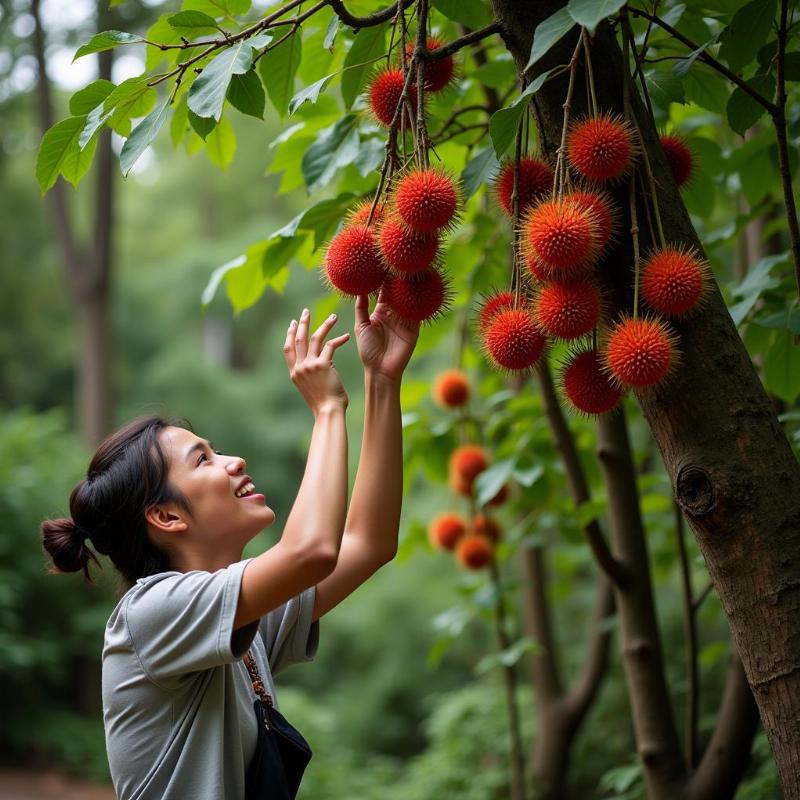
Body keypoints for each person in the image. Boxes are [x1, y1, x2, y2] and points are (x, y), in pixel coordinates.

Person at [40, 293, 420, 800]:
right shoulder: (150, 614)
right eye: (204, 460)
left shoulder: (243, 621)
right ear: (166, 516)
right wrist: (328, 410)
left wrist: (382, 380)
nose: (234, 462)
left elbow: (367, 543)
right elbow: (311, 552)